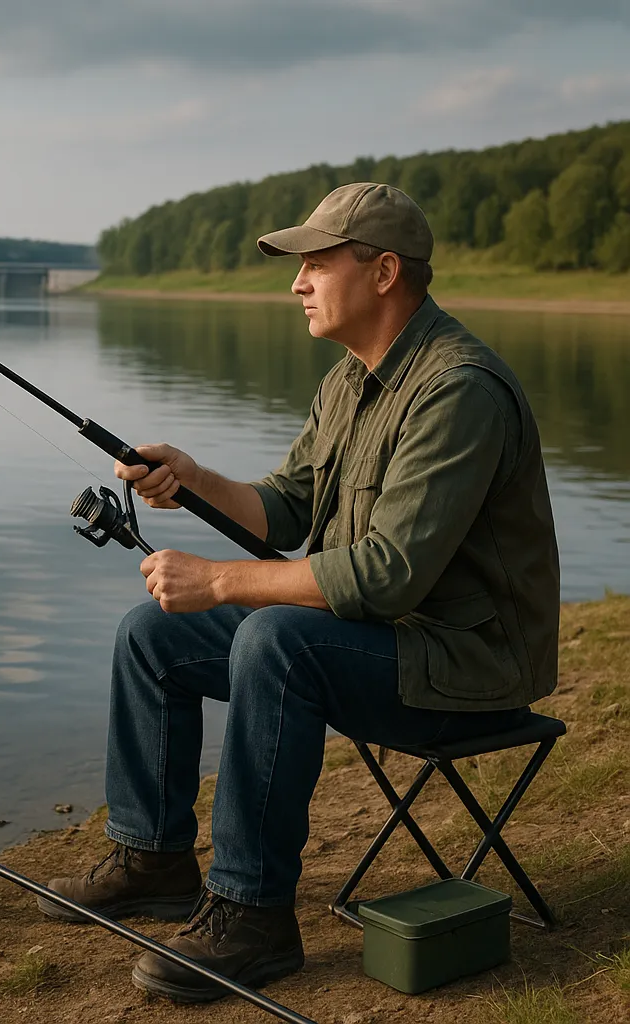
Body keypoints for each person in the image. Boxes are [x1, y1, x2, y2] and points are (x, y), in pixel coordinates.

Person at [37, 183, 560, 1003]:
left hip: (468, 671)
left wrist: (218, 582)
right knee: (154, 633)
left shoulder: (458, 389)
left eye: (316, 262)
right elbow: (283, 510)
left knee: (273, 640)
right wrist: (193, 478)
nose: (297, 281)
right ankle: (154, 860)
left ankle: (252, 914)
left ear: (384, 272)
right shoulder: (350, 382)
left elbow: (385, 573)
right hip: (385, 645)